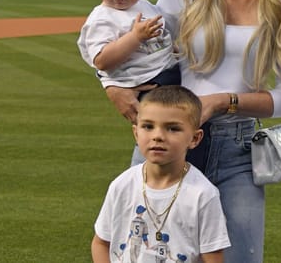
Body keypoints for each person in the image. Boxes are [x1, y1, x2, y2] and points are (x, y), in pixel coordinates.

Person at [105, 0, 281, 262]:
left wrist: (222, 102)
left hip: (240, 149)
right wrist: (112, 86)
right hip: (169, 139)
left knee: (240, 257)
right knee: (144, 254)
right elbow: (139, 51)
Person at [92, 85, 230, 263]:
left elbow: (213, 257)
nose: (158, 136)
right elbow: (101, 243)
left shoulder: (203, 195)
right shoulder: (122, 185)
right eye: (148, 126)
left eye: (172, 129)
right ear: (136, 132)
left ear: (195, 138)